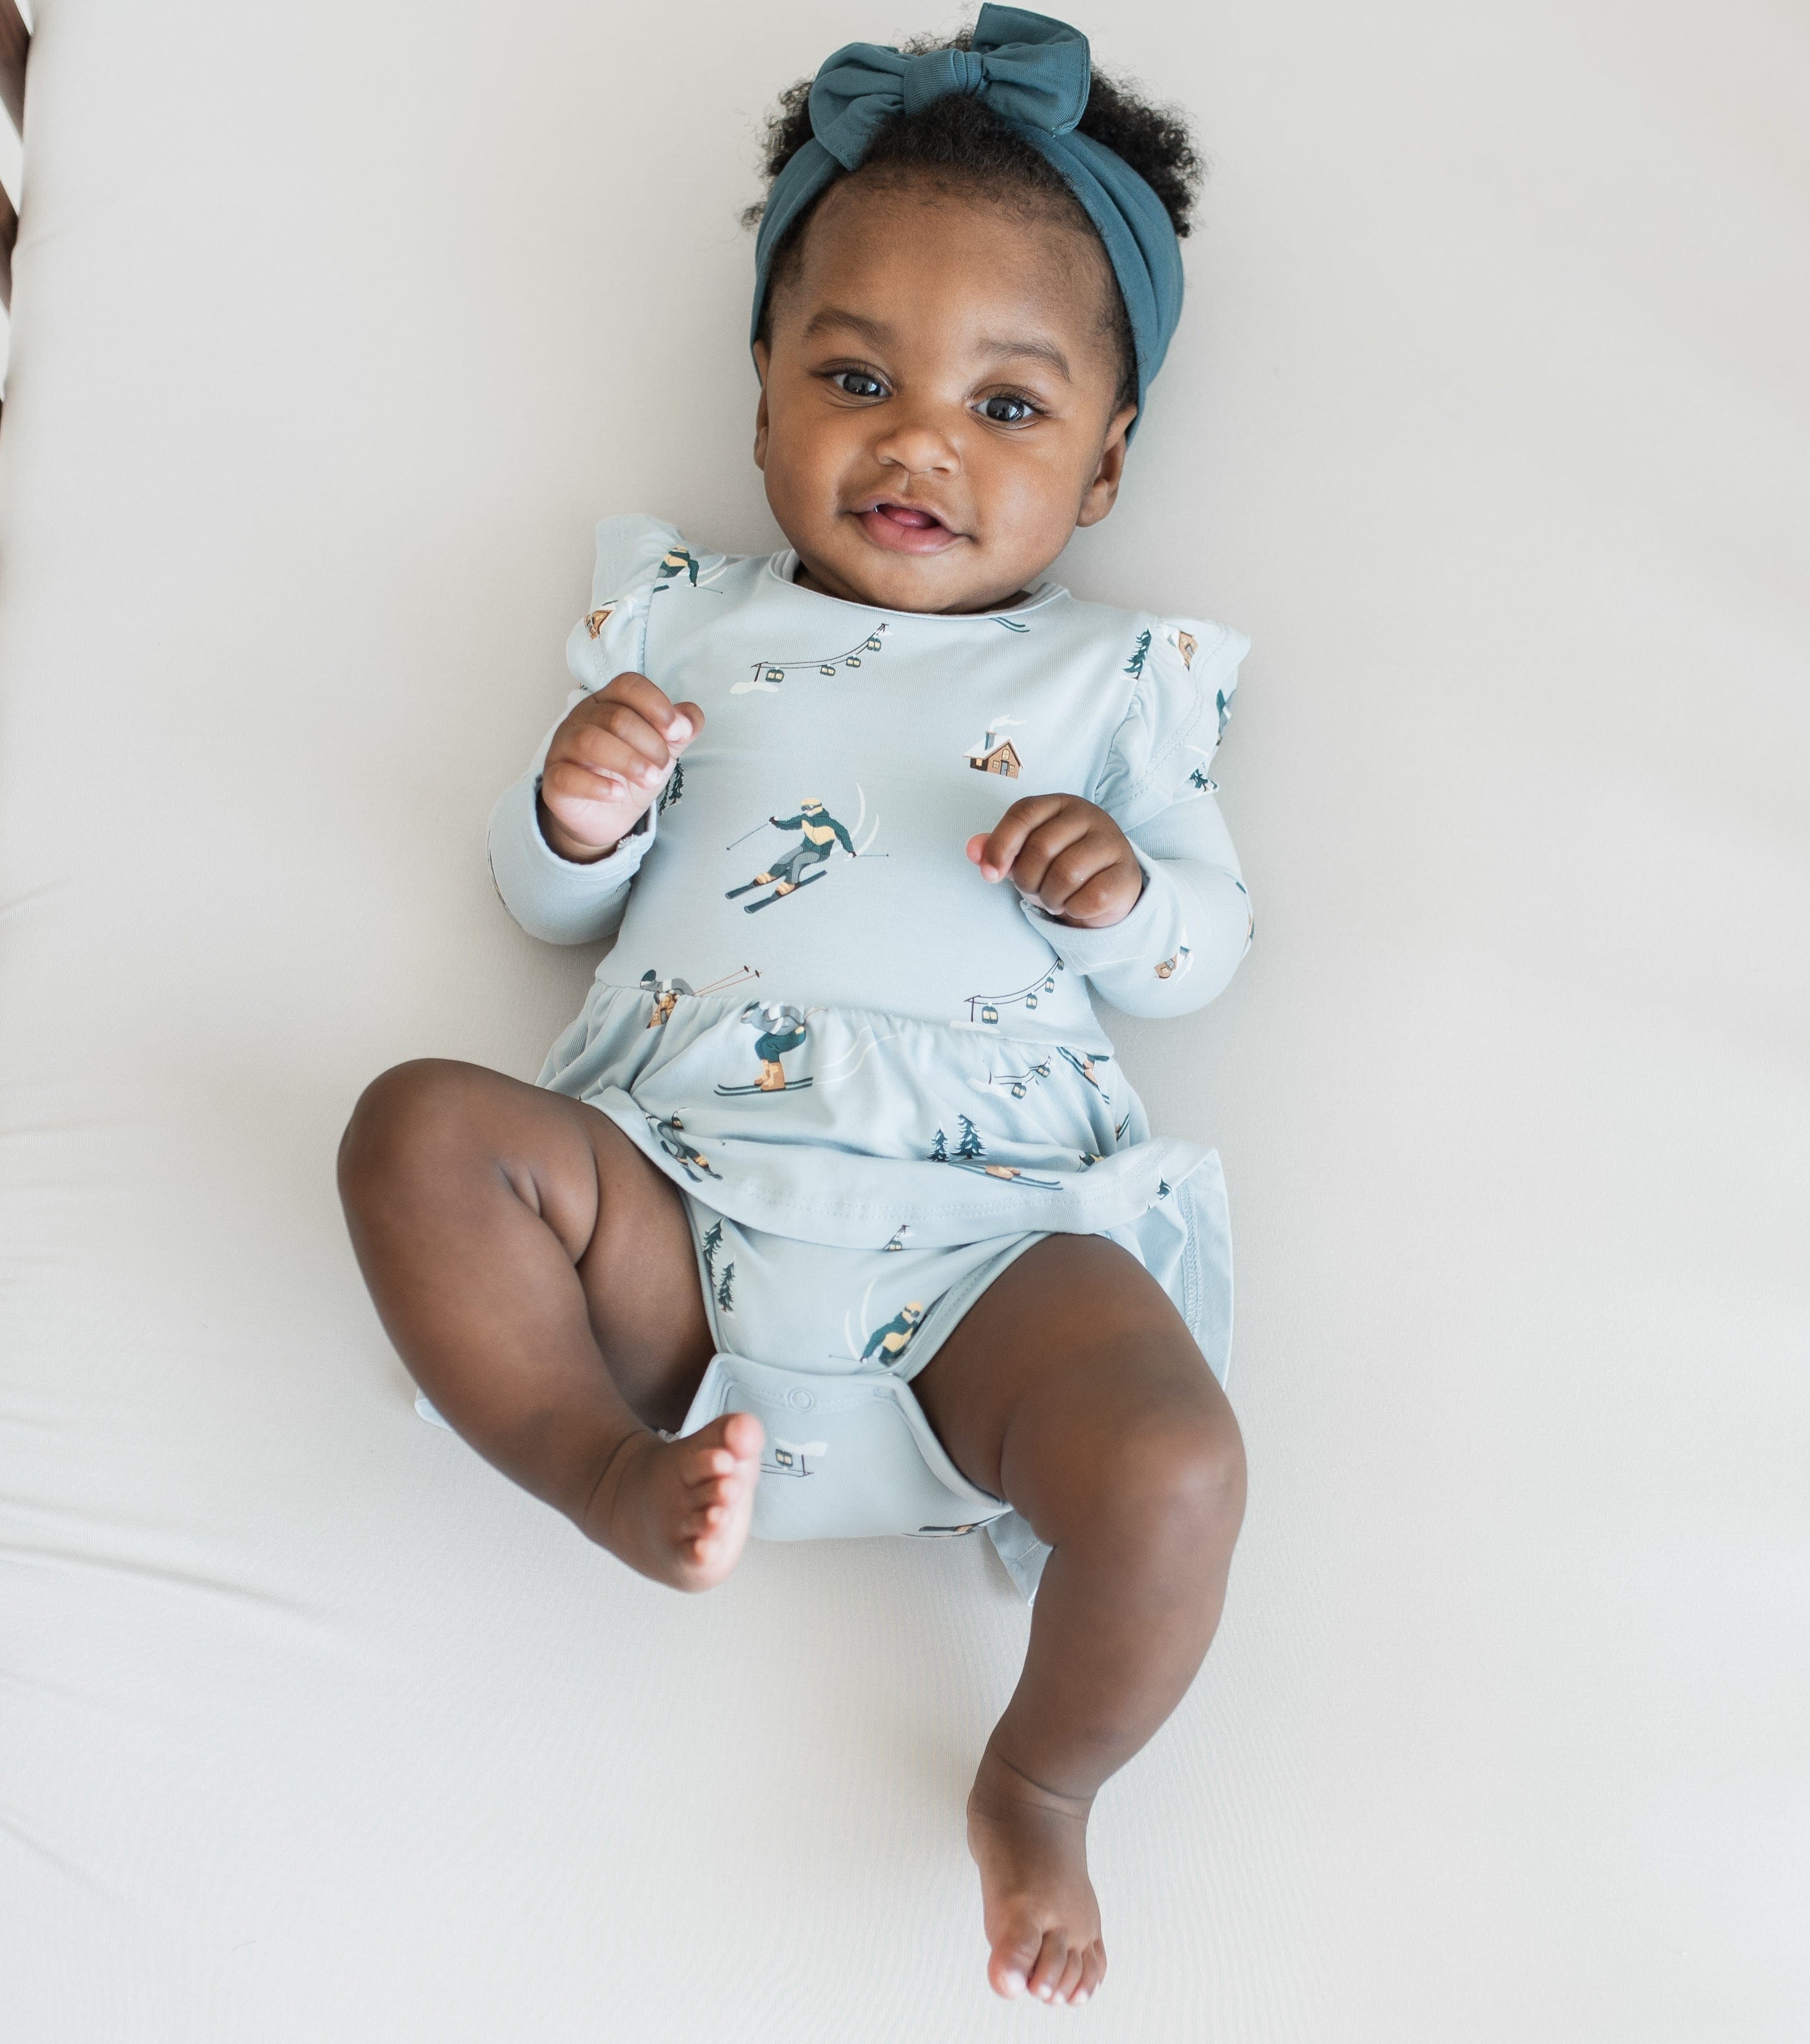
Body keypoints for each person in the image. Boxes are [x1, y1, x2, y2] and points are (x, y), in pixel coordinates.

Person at [336, 7, 1251, 2010]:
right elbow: (544, 904)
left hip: (987, 1250)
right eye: (854, 378)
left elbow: (1205, 952)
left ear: (1106, 462)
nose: (919, 444)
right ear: (761, 401)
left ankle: (1041, 1781)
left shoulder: (1116, 689)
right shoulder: (688, 630)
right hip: (678, 1205)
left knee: (1179, 1466)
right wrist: (579, 808)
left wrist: (1122, 891)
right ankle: (596, 1462)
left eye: (1007, 406)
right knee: (417, 1125)